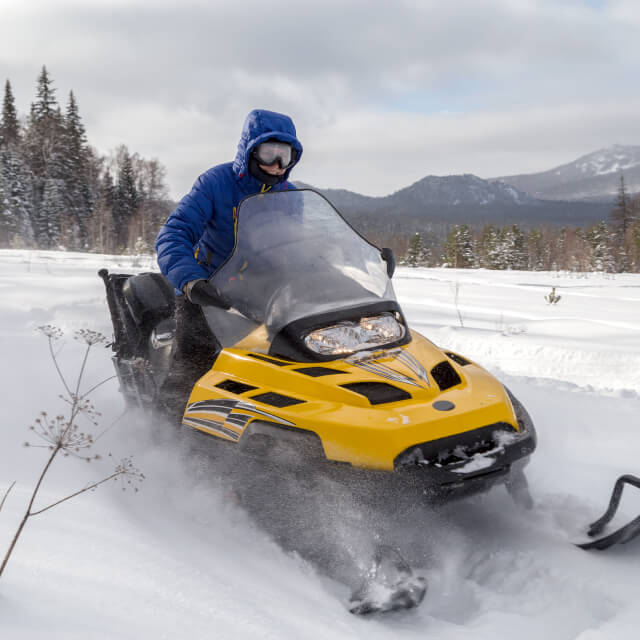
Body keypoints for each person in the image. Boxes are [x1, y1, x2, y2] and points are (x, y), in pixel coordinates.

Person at [155, 109, 303, 408]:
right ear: (250, 149)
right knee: (194, 360)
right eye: (269, 153)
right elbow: (174, 233)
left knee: (296, 360)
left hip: (263, 292)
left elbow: (301, 247)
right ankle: (165, 431)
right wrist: (191, 280)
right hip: (208, 291)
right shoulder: (216, 182)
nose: (276, 164)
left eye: (284, 155)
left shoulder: (291, 195)